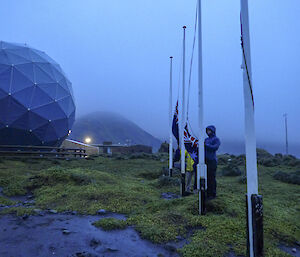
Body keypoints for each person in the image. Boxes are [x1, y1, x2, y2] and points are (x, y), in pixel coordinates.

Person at [204, 125, 221, 199]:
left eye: (209, 130)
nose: (208, 132)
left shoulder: (216, 139)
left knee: (212, 178)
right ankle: (208, 193)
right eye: (207, 130)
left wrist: (206, 145)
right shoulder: (206, 139)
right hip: (205, 160)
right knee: (206, 177)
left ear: (213, 131)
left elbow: (215, 148)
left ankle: (213, 194)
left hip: (212, 161)